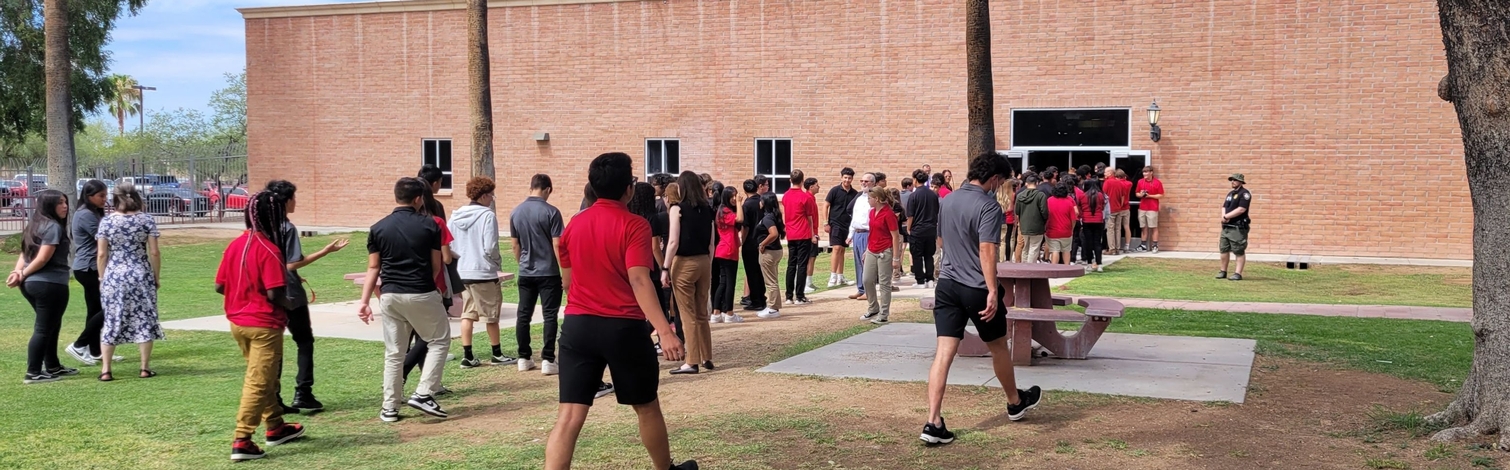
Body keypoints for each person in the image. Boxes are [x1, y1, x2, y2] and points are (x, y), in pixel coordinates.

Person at [545, 152, 695, 470]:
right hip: (622, 328)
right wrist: (665, 331)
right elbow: (640, 280)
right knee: (646, 406)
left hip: (578, 326)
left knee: (570, 415)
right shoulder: (634, 225)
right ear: (628, 188)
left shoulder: (573, 225)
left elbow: (568, 282)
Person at [920, 153, 1042, 445]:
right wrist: (991, 290)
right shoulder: (989, 205)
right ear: (995, 179)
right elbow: (987, 250)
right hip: (976, 287)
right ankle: (1015, 402)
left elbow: (941, 241)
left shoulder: (948, 200)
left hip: (947, 285)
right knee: (999, 346)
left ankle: (933, 421)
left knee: (944, 352)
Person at [216, 191, 308, 461]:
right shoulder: (269, 248)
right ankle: (242, 440)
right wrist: (291, 303)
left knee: (264, 376)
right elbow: (274, 294)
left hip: (238, 322)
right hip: (263, 325)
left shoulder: (235, 244)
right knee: (258, 381)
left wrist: (243, 295)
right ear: (275, 216)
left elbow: (220, 285)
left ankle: (276, 427)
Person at [358, 177, 452, 422]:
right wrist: (429, 289)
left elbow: (373, 268)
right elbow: (435, 266)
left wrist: (364, 301)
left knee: (395, 352)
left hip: (389, 295)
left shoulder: (378, 228)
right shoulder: (430, 225)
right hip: (421, 291)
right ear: (419, 199)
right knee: (439, 340)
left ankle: (390, 407)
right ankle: (424, 392)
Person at [265, 180, 349, 413]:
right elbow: (291, 264)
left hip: (267, 291)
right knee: (304, 341)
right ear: (286, 201)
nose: (296, 202)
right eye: (294, 197)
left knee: (274, 345)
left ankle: (274, 396)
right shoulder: (286, 228)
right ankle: (303, 392)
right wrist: (325, 251)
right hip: (288, 294)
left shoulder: (261, 226)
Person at [96, 183, 163, 381]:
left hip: (114, 275)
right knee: (144, 318)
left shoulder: (107, 222)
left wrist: (102, 278)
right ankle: (144, 367)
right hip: (140, 273)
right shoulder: (146, 220)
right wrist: (156, 277)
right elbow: (154, 252)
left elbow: (101, 253)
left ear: (115, 198)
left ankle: (106, 370)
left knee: (112, 319)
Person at [8, 189, 75, 384]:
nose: (65, 206)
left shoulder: (34, 225)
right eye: (60, 203)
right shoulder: (53, 227)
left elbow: (24, 255)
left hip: (32, 284)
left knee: (52, 324)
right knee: (44, 328)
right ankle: (33, 372)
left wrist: (18, 273)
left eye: (65, 202)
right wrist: (22, 273)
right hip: (50, 284)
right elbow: (43, 258)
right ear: (49, 206)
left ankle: (52, 366)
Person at [506, 174, 566, 374]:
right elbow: (557, 243)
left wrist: (522, 263)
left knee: (524, 315)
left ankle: (524, 357)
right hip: (548, 271)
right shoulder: (552, 212)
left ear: (531, 187)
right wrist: (563, 270)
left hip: (526, 271)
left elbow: (515, 245)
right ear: (548, 189)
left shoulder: (516, 212)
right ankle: (548, 359)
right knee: (550, 315)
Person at [453, 177, 510, 370]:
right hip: (483, 272)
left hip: (462, 271)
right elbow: (490, 246)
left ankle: (467, 355)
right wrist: (496, 262)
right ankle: (497, 353)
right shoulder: (487, 216)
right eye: (491, 195)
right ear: (484, 195)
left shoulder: (455, 216)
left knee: (467, 313)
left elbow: (451, 244)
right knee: (491, 315)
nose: (492, 199)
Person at [663, 172, 717, 375]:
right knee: (702, 312)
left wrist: (665, 267)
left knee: (687, 314)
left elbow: (673, 242)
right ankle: (707, 356)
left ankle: (691, 360)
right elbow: (712, 243)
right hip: (704, 261)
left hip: (684, 263)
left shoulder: (677, 209)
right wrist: (708, 263)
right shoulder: (707, 208)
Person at [64, 180, 116, 367]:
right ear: (88, 196)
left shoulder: (93, 213)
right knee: (110, 307)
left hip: (92, 267)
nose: (105, 199)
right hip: (89, 268)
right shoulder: (85, 215)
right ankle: (79, 345)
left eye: (105, 195)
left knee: (95, 310)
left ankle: (95, 351)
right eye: (101, 196)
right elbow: (105, 238)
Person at [860, 187, 902, 324]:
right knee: (867, 279)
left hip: (885, 251)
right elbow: (872, 232)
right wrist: (867, 250)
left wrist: (896, 258)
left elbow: (895, 236)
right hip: (872, 249)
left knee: (884, 284)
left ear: (876, 199)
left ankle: (884, 314)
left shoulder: (888, 214)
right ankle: (873, 308)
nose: (868, 201)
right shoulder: (872, 212)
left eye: (869, 198)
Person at [782, 169, 819, 305]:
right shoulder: (805, 197)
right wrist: (812, 234)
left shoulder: (785, 196)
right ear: (803, 181)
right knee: (802, 264)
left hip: (791, 233)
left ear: (790, 180)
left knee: (791, 264)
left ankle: (788, 296)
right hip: (803, 233)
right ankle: (800, 295)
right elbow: (809, 218)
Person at [711, 186, 744, 324]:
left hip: (724, 250)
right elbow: (740, 219)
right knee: (730, 283)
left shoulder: (722, 210)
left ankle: (716, 312)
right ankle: (729, 313)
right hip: (728, 250)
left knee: (723, 282)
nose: (734, 198)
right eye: (732, 196)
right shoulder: (725, 211)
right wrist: (739, 203)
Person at [822, 168, 857, 289]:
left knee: (842, 250)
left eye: (849, 178)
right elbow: (826, 205)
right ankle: (832, 276)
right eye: (845, 177)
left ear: (852, 179)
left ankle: (840, 276)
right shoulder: (834, 191)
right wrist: (825, 222)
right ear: (841, 177)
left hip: (847, 225)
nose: (847, 180)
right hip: (835, 223)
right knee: (836, 248)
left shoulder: (855, 193)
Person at [739, 176, 770, 312]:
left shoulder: (746, 205)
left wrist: (742, 241)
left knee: (751, 272)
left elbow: (745, 226)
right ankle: (761, 298)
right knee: (759, 271)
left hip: (750, 241)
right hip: (762, 239)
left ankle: (756, 300)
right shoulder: (762, 201)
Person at [905, 174, 940, 288]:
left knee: (917, 255)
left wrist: (909, 228)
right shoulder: (933, 195)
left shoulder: (913, 195)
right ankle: (930, 279)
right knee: (929, 255)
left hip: (917, 229)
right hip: (931, 229)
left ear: (915, 180)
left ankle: (920, 281)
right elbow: (936, 212)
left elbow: (910, 216)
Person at [845, 172, 876, 300]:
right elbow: (855, 218)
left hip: (867, 233)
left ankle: (868, 291)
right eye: (862, 181)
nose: (863, 183)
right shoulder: (858, 198)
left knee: (867, 263)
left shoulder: (873, 199)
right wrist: (850, 234)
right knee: (858, 262)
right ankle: (860, 288)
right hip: (857, 233)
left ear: (873, 183)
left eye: (866, 181)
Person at [755, 193, 785, 319]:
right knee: (773, 280)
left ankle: (773, 308)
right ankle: (775, 306)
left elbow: (773, 233)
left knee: (770, 281)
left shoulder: (767, 218)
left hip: (769, 252)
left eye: (761, 200)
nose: (759, 203)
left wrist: (762, 244)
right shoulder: (775, 215)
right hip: (776, 251)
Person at [1217, 174, 1252, 281]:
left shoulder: (1244, 194)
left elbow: (1242, 209)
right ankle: (1223, 271)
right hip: (1226, 226)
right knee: (1224, 249)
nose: (1233, 181)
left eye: (1235, 180)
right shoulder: (1231, 193)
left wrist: (1227, 216)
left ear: (1241, 181)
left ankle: (1238, 273)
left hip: (1237, 227)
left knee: (1238, 250)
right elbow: (1224, 206)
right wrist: (1223, 216)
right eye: (1232, 180)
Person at [1015, 174, 1049, 264]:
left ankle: (1024, 266)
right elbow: (1044, 211)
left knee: (1025, 247)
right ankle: (1030, 267)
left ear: (1026, 183)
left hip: (1024, 225)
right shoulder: (1041, 195)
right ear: (1037, 183)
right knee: (1034, 247)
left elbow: (1017, 211)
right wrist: (1044, 220)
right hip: (1037, 225)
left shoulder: (1019, 196)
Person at [1045, 181, 1079, 265]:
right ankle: (1067, 268)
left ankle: (1054, 268)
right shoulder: (1069, 202)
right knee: (1066, 250)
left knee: (1055, 251)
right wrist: (1072, 229)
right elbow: (1074, 218)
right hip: (1066, 230)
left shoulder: (1049, 201)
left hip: (1052, 230)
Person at [1079, 178, 1107, 272]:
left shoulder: (1083, 196)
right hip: (1098, 221)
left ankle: (1089, 263)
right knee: (1097, 243)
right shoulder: (1100, 195)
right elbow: (1103, 206)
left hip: (1087, 221)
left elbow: (1081, 208)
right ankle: (1099, 264)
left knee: (1088, 243)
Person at [1136, 166, 1165, 253]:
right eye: (1143, 172)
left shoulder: (1157, 182)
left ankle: (1155, 245)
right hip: (1142, 208)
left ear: (1151, 172)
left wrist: (1149, 196)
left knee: (1153, 227)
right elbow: (1136, 193)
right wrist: (1141, 195)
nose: (1144, 174)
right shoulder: (1140, 181)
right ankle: (1143, 245)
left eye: (1146, 172)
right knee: (1143, 227)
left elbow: (1161, 195)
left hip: (1152, 208)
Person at [1104, 168, 1132, 255]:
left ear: (1110, 173)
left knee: (1110, 229)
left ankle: (1112, 249)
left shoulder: (1108, 182)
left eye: (1106, 172)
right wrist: (1120, 205)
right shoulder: (1120, 183)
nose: (1104, 173)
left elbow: (1103, 195)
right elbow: (1123, 196)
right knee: (1118, 229)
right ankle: (1117, 248)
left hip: (1110, 209)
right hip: (1119, 209)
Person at [996, 179, 1018, 263]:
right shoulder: (1011, 195)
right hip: (1007, 219)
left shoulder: (998, 195)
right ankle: (1005, 258)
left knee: (999, 241)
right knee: (1007, 240)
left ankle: (999, 259)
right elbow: (1011, 209)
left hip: (999, 220)